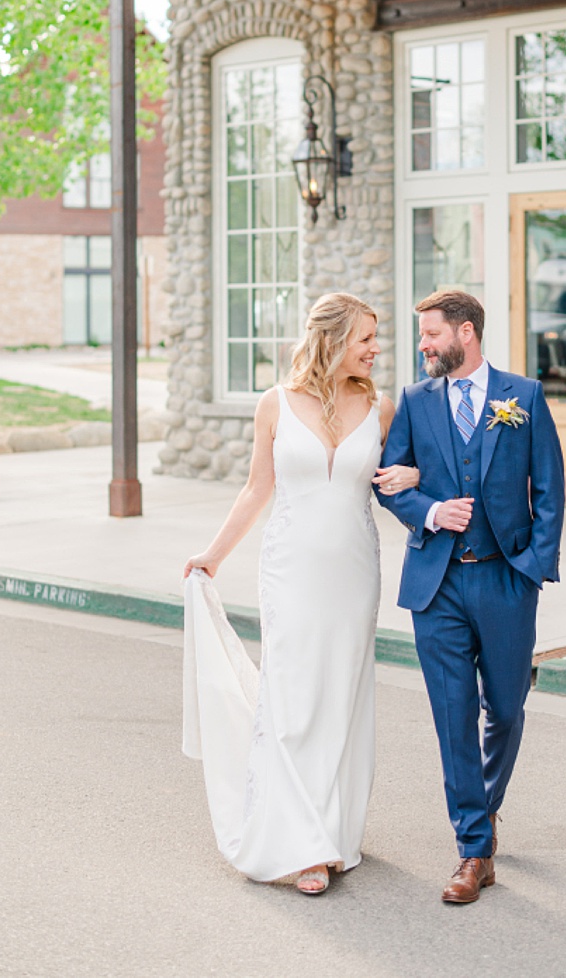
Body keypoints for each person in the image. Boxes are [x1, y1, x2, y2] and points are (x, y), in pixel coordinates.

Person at [180, 293, 421, 895]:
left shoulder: (380, 405)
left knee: (342, 694)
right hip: (289, 570)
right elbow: (256, 489)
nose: (375, 347)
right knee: (292, 698)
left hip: (354, 570)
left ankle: (333, 833)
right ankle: (295, 843)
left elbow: (403, 483)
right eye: (366, 337)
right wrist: (212, 555)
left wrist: (414, 476)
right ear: (333, 340)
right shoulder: (275, 405)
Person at [375, 289, 566, 904]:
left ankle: (482, 810)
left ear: (466, 333)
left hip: (505, 578)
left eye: (431, 335)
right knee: (453, 717)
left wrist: (533, 567)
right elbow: (389, 482)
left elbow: (552, 489)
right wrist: (429, 509)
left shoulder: (524, 397)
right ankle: (473, 849)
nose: (424, 347)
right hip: (437, 584)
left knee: (505, 710)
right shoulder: (414, 400)